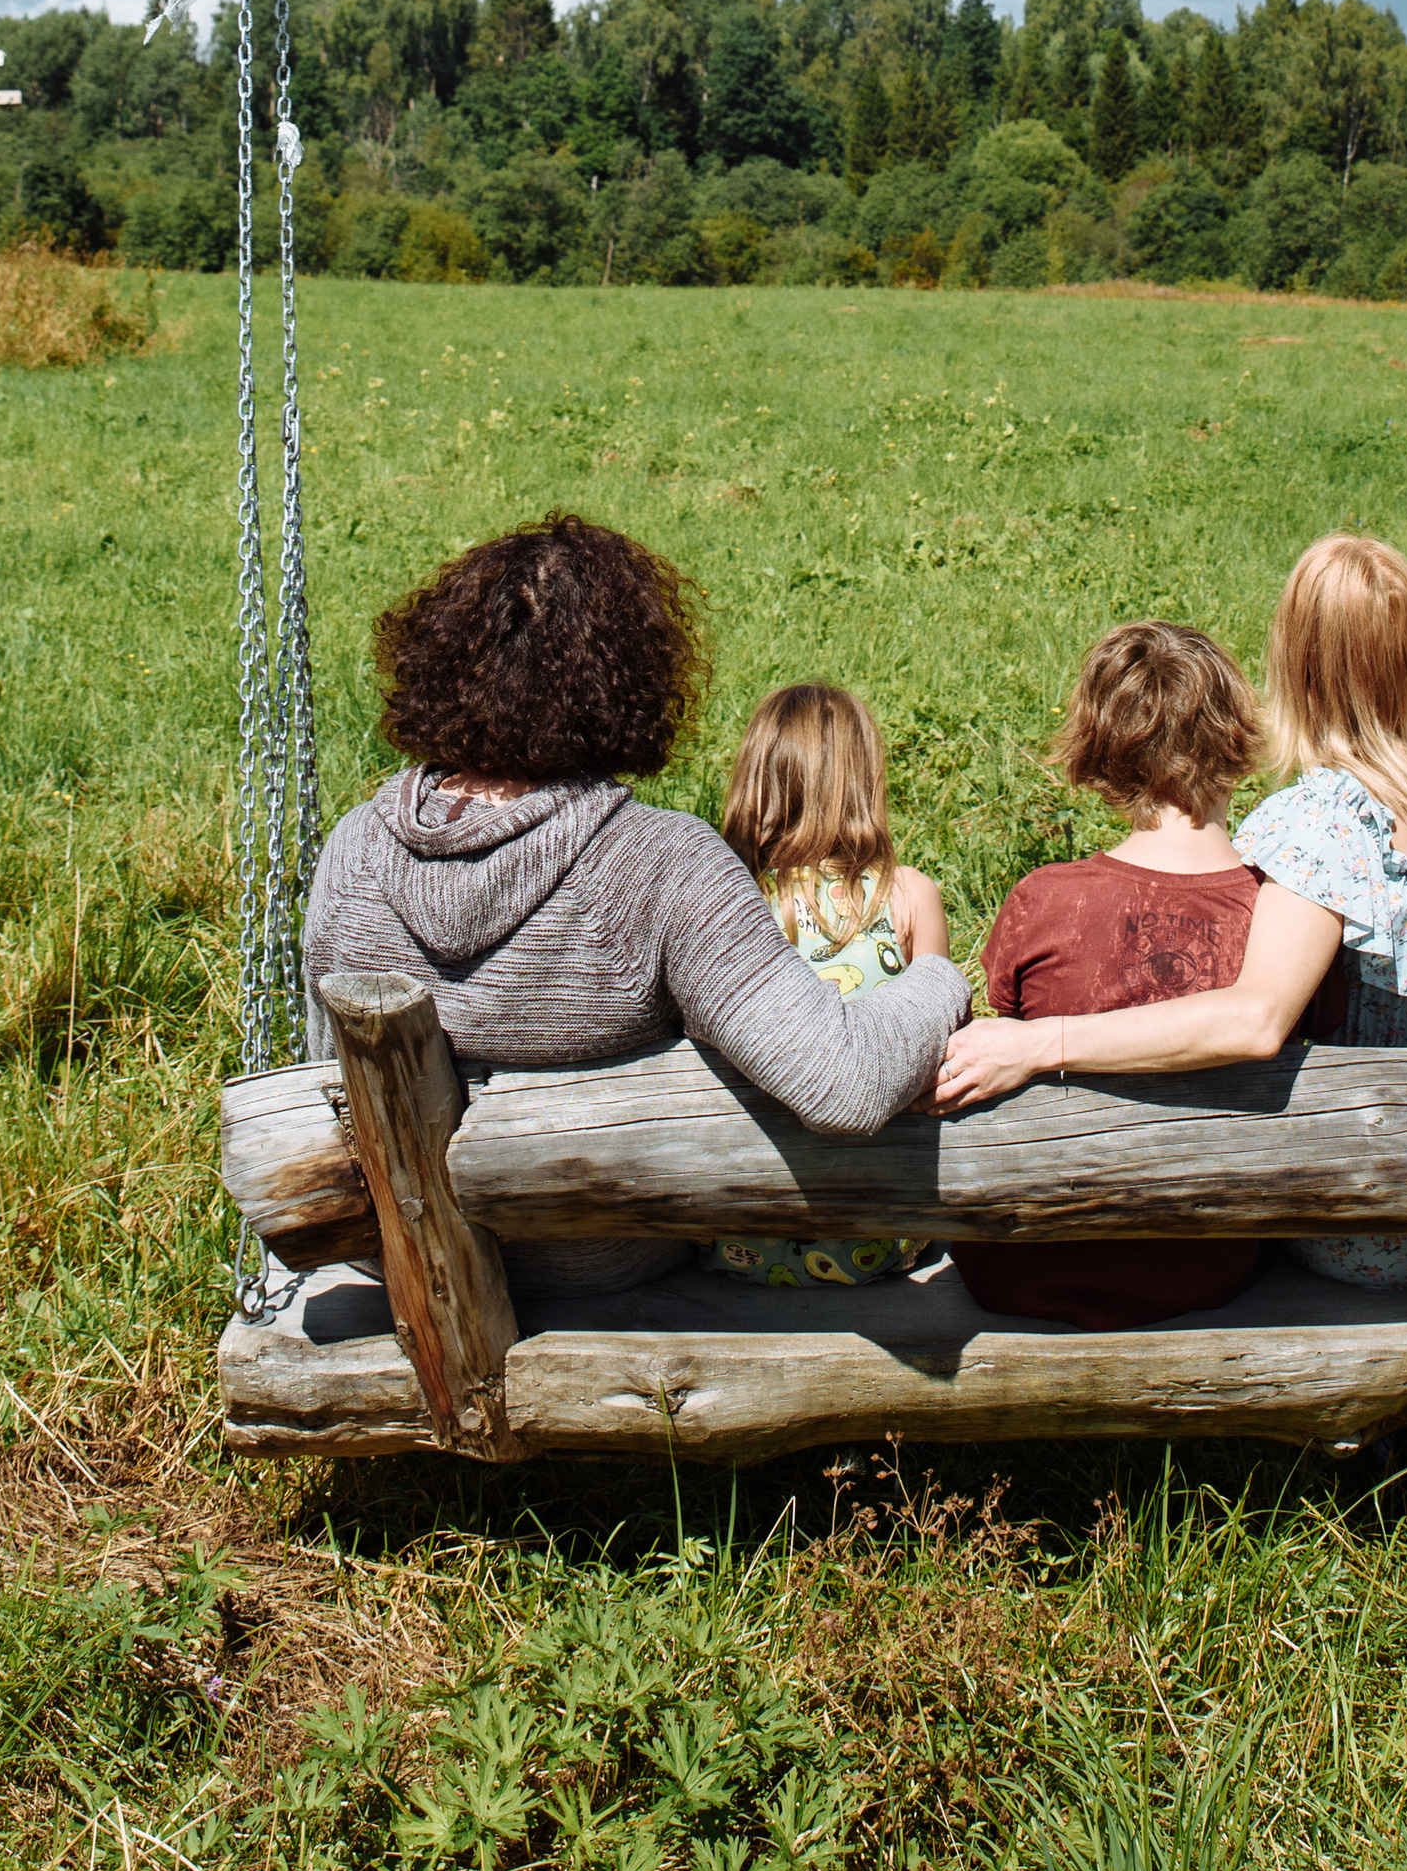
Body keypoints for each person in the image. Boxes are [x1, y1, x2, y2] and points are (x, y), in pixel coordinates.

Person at [933, 536, 1407, 1294]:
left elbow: (1256, 1019)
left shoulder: (1325, 824)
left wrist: (1044, 1042)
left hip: (1371, 1216)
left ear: (1299, 664)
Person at [301, 518, 968, 1304]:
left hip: (405, 1266)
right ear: (628, 679)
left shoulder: (352, 853)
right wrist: (938, 979)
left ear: (442, 665)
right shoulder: (657, 864)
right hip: (602, 1275)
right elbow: (845, 1081)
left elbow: (324, 1085)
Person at [950, 620, 1327, 1332]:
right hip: (1202, 1266)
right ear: (1236, 738)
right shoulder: (1288, 920)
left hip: (1025, 1260)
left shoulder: (1043, 902)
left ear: (1102, 748)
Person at [699, 681, 950, 1291]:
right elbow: (942, 1037)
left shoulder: (734, 899)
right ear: (864, 780)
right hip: (882, 1236)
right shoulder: (907, 895)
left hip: (739, 1233)